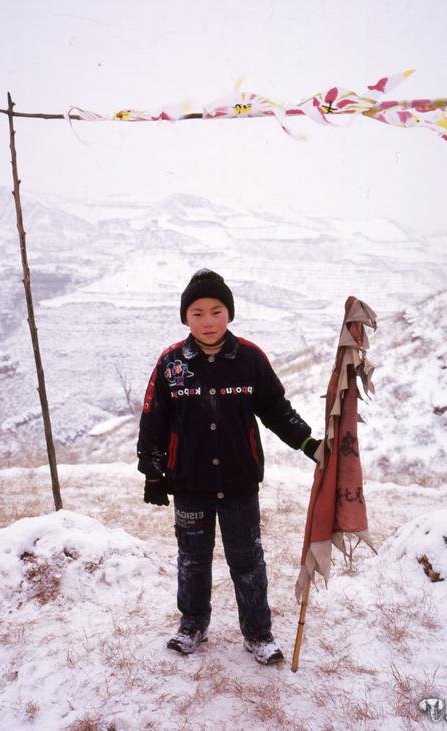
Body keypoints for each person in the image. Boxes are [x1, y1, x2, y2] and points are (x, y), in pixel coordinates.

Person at [137, 269, 320, 665]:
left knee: (247, 559)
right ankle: (193, 624)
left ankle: (258, 633)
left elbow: (276, 410)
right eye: (198, 312)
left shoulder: (250, 359)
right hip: (189, 482)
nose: (207, 321)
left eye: (216, 311)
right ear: (186, 317)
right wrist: (153, 472)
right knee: (193, 558)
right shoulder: (171, 364)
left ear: (229, 314)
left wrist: (308, 443)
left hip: (239, 482)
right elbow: (153, 419)